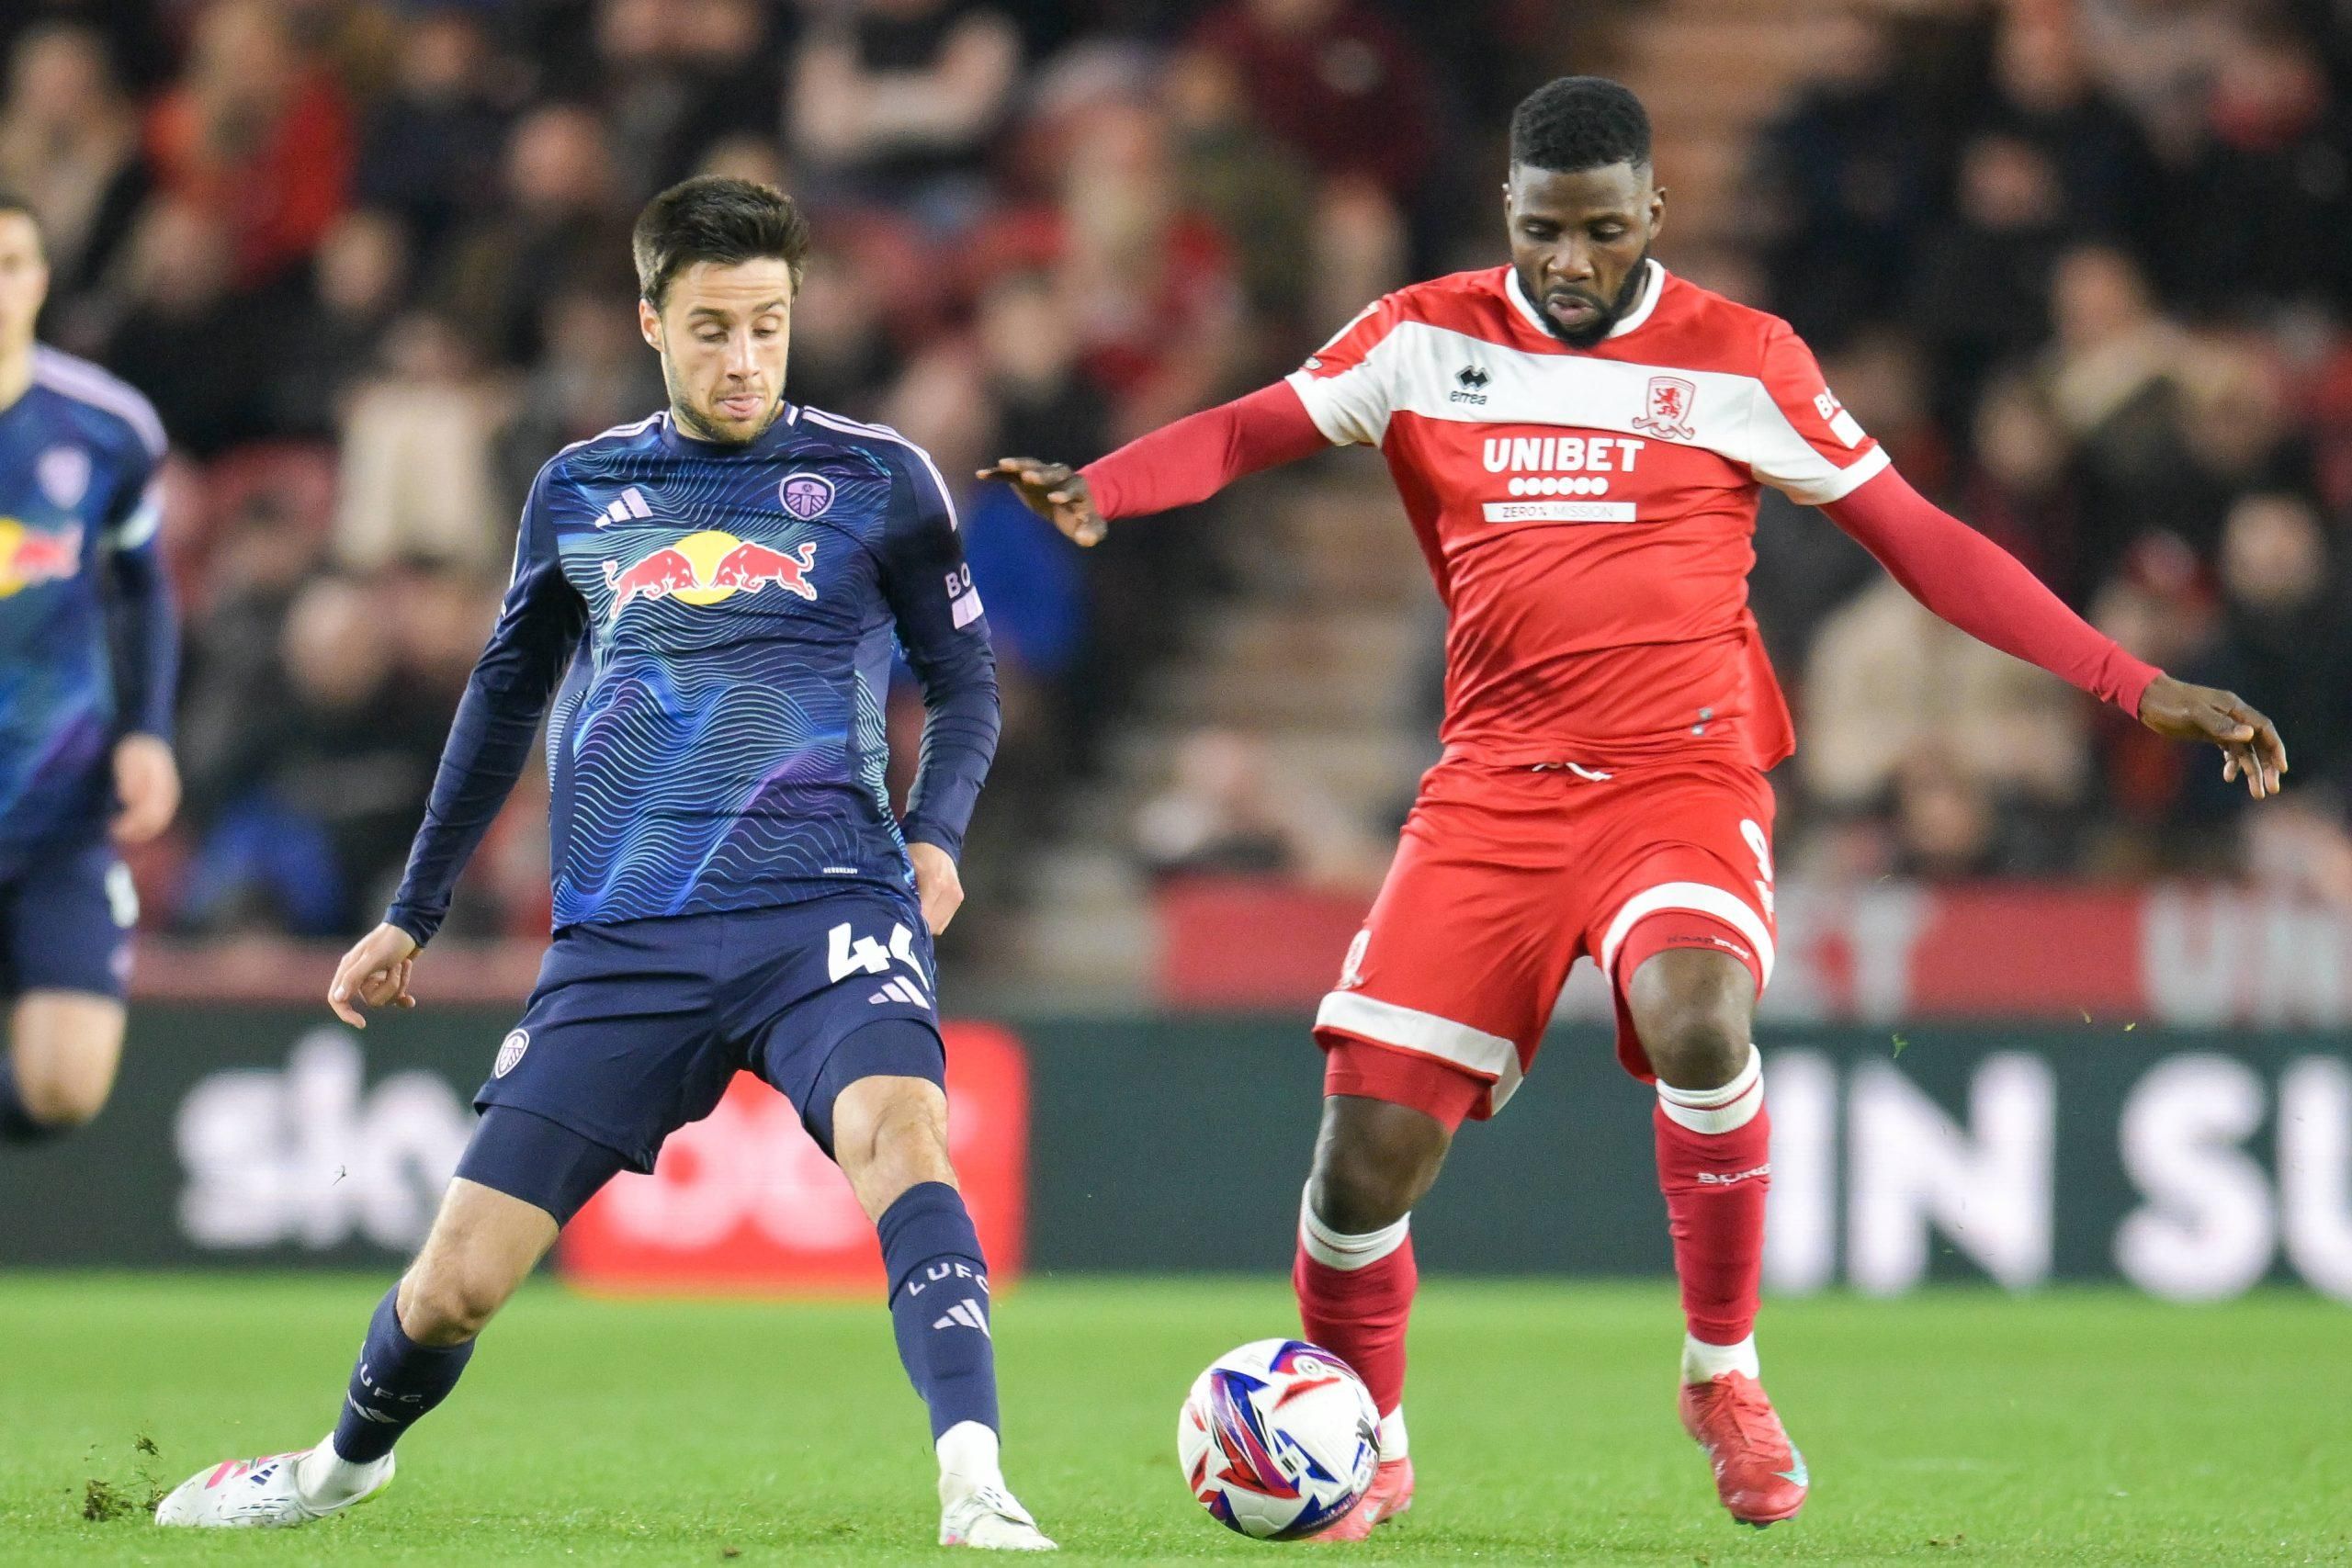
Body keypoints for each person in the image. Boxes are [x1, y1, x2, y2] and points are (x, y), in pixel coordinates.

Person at [984, 77, 2289, 1539]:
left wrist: (2129, 680)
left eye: (1605, 232)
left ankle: (1722, 1372)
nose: (1572, 263)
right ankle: (1367, 1434)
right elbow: (1248, 430)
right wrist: (1108, 486)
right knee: (1360, 1165)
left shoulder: (1744, 360)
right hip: (1491, 789)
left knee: (1697, 1015)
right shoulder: (1424, 337)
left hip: (1682, 772)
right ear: (1510, 218)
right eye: (1546, 232)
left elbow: (1921, 539)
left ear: (1655, 215)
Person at [156, 176, 1052, 1552]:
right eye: (710, 328)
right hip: (626, 935)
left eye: (768, 324)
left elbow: (967, 683)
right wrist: (413, 910)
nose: (745, 357)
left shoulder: (880, 478)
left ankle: (976, 1481)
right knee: (455, 1282)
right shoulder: (580, 490)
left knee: (901, 1132)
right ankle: (337, 1469)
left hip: (827, 905)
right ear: (649, 320)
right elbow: (501, 701)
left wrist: (935, 837)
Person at [0, 189, 178, 1146]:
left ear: (40, 278)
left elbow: (146, 588)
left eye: (10, 263)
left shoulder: (106, 429)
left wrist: (147, 728)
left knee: (63, 1090)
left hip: (57, 812)